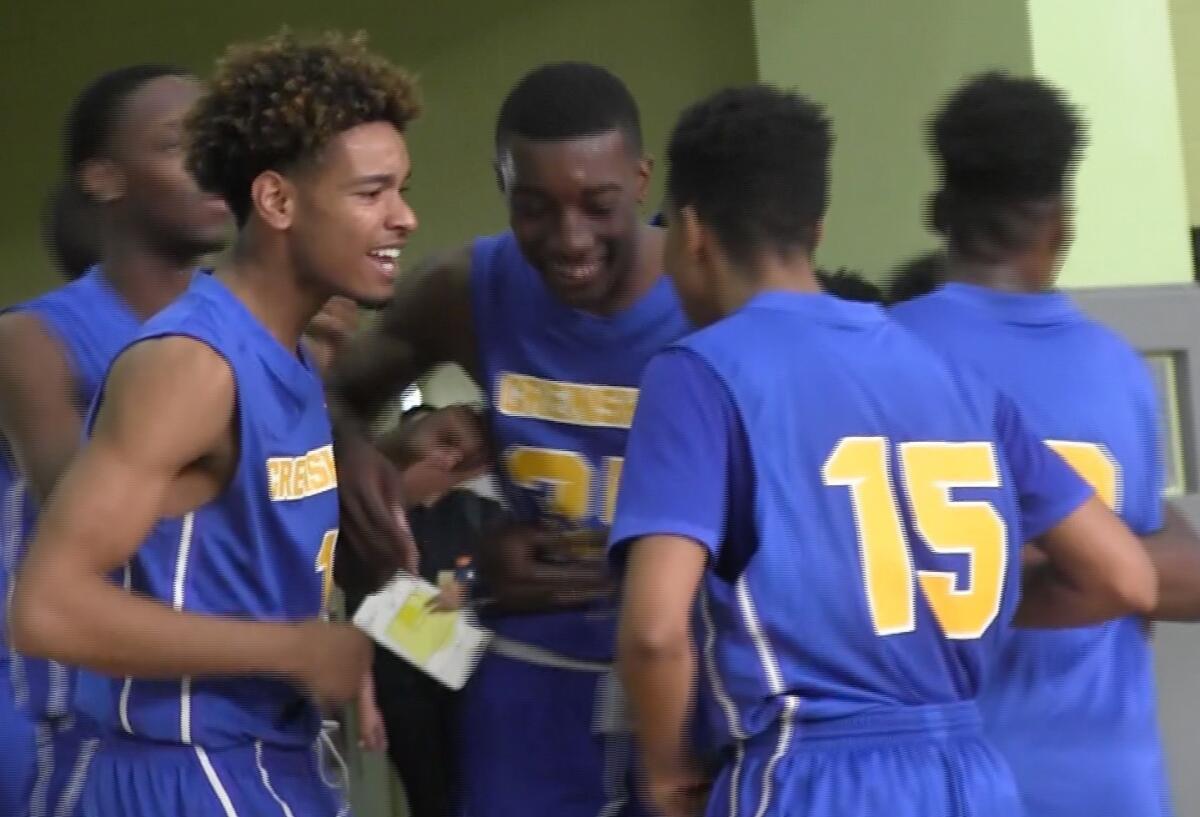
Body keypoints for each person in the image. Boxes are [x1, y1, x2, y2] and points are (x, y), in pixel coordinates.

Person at [608, 84, 1157, 817]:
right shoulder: (950, 373)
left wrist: (669, 774)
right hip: (975, 774)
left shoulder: (698, 373)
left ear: (693, 230)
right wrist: (932, 610)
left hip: (811, 773)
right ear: (818, 227)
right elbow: (1125, 577)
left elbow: (652, 629)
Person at [9, 31, 424, 816]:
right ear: (277, 201)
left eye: (401, 188)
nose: (404, 217)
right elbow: (47, 606)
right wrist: (298, 651)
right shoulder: (191, 365)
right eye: (372, 193)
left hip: (265, 759)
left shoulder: (287, 350)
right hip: (180, 770)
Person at [329, 61, 691, 816]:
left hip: (689, 681)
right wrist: (362, 459)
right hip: (532, 678)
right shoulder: (469, 286)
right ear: (504, 190)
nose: (569, 238)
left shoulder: (708, 289)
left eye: (598, 204)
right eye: (534, 208)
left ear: (642, 179)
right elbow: (326, 398)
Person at [891, 72, 1200, 817]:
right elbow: (1166, 575)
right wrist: (1101, 565)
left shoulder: (882, 355)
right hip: (1107, 783)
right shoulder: (1115, 369)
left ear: (939, 212)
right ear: (1059, 221)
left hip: (941, 782)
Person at [0, 64, 230, 817]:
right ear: (103, 177)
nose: (210, 161)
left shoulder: (239, 334)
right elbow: (90, 526)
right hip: (73, 724)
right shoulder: (33, 339)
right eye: (176, 144)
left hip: (216, 712)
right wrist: (232, 466)